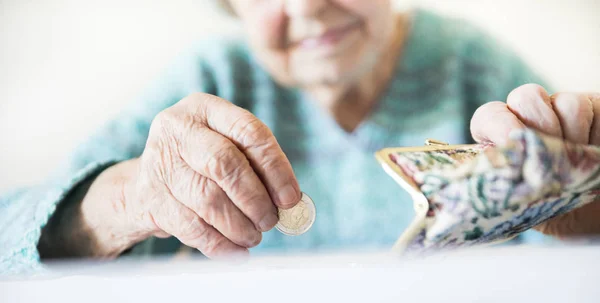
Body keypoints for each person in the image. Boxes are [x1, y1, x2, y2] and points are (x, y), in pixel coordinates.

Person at [1, 0, 598, 274]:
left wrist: (584, 209)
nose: (309, 6)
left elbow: (566, 246)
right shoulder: (212, 78)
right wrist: (127, 201)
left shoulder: (470, 62)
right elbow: (11, 242)